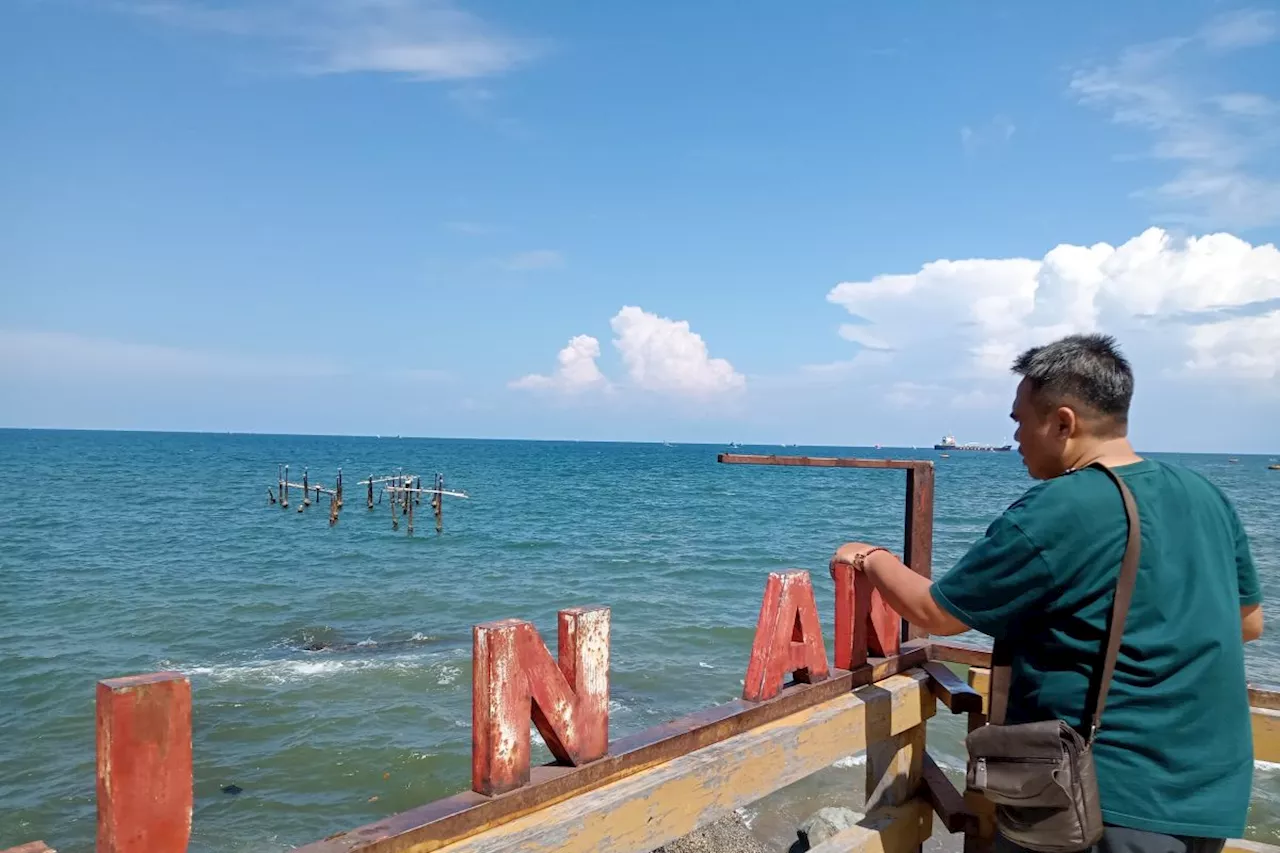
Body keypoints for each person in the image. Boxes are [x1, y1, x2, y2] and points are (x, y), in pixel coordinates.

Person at [831, 333, 1263, 853]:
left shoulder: (1061, 507)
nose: (1015, 439)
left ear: (1063, 422)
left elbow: (937, 612)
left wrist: (869, 557)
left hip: (1099, 799)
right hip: (1205, 794)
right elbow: (1247, 623)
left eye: (1019, 421)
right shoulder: (1206, 495)